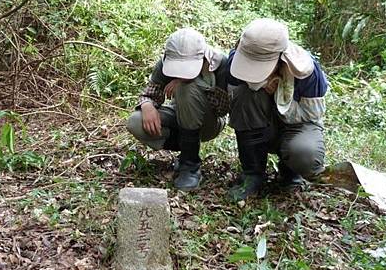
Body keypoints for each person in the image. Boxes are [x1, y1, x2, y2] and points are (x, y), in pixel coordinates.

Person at [226, 18, 328, 201]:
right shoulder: (234, 61)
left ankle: (291, 171)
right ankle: (252, 173)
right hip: (259, 125)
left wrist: (278, 96)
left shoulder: (307, 71)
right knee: (243, 95)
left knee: (305, 154)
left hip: (297, 126)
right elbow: (235, 106)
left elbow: (311, 114)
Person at [126, 28, 229, 191]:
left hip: (209, 121)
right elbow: (149, 92)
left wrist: (191, 83)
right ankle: (186, 148)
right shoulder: (165, 63)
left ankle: (190, 165)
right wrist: (147, 105)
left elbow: (223, 109)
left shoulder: (221, 64)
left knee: (186, 89)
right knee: (135, 122)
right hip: (178, 114)